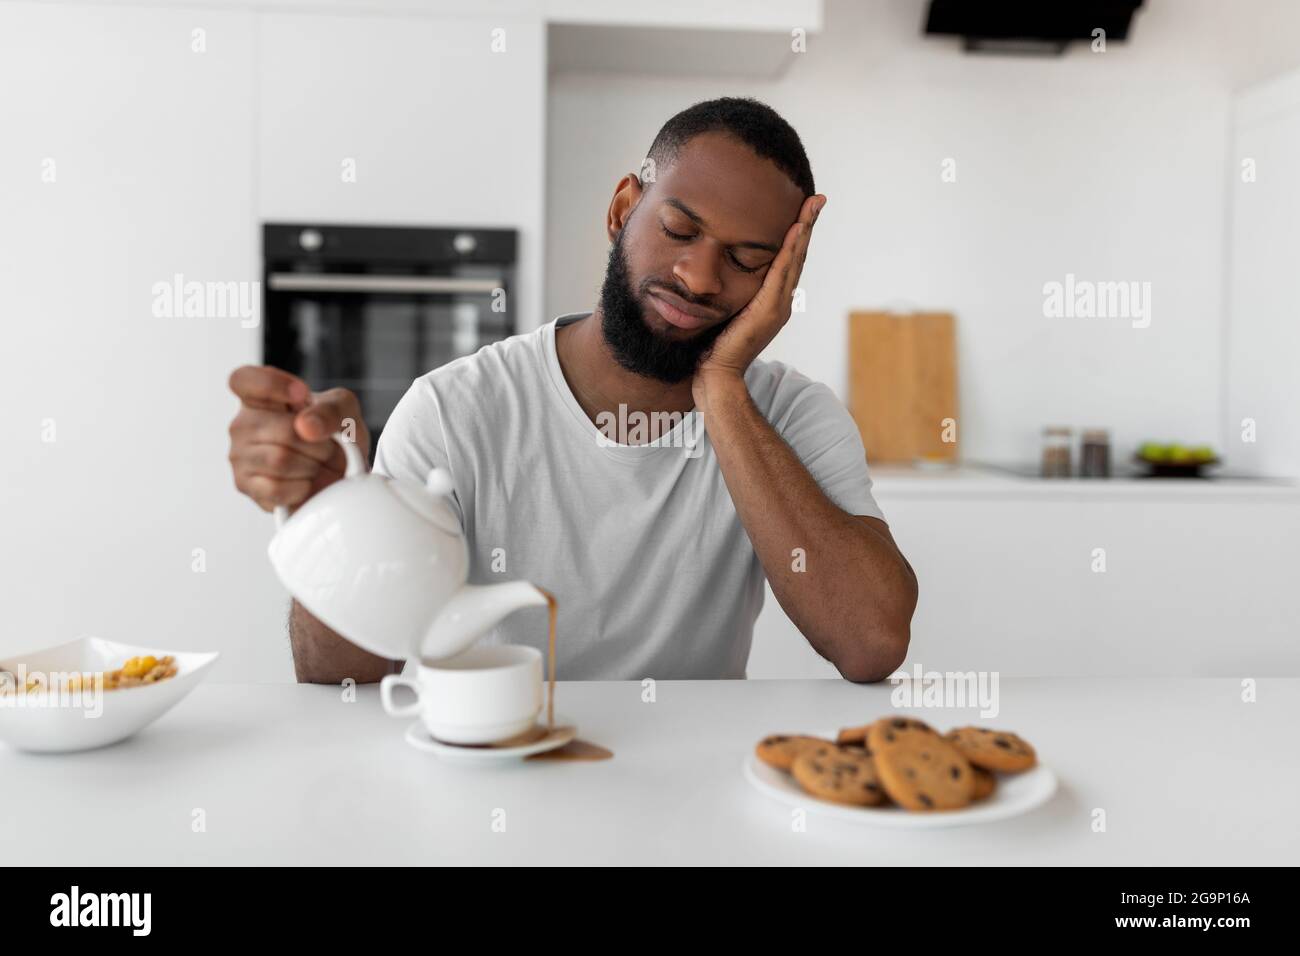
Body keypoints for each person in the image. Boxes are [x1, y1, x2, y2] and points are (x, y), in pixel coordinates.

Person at [227, 97, 917, 683]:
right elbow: (339, 677)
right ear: (623, 209)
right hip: (483, 787)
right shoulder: (453, 410)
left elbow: (871, 642)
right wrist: (334, 518)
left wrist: (725, 389)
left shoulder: (792, 417)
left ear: (778, 282)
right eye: (680, 229)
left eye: (746, 261)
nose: (701, 277)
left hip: (686, 802)